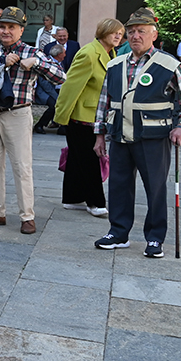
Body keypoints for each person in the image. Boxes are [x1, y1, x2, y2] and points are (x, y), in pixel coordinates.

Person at [94, 7, 181, 258]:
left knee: (155, 188)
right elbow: (104, 102)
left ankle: (155, 238)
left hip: (153, 138)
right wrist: (99, 134)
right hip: (120, 135)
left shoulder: (168, 64)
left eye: (141, 31)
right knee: (118, 186)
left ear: (154, 34)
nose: (135, 36)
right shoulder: (115, 64)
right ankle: (118, 233)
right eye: (130, 32)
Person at [0, 6, 66, 235]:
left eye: (11, 27)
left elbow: (61, 75)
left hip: (18, 113)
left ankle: (27, 216)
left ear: (21, 30)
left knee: (22, 167)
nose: (6, 31)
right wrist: (0, 63)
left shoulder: (33, 52)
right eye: (3, 27)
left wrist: (36, 63)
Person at [54, 18, 124, 217]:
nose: (118, 36)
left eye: (120, 33)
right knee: (91, 158)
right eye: (114, 32)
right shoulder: (88, 53)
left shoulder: (110, 53)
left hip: (95, 114)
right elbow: (70, 86)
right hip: (82, 116)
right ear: (103, 32)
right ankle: (96, 202)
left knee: (77, 158)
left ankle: (72, 198)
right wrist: (62, 116)